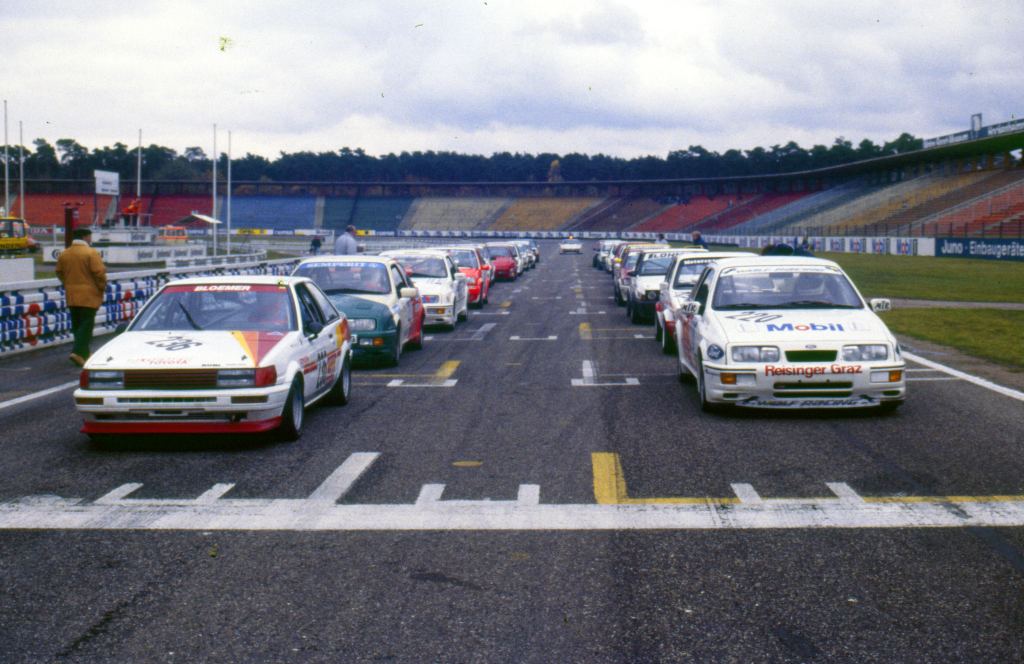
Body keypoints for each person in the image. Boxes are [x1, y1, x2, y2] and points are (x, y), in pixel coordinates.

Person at [56, 227, 107, 367]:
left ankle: (84, 353)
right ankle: (77, 352)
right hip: (89, 294)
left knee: (77, 324)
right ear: (85, 237)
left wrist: (68, 284)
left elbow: (59, 272)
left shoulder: (65, 253)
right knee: (87, 324)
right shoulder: (91, 252)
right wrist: (101, 287)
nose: (91, 239)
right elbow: (99, 273)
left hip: (71, 294)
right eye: (90, 237)